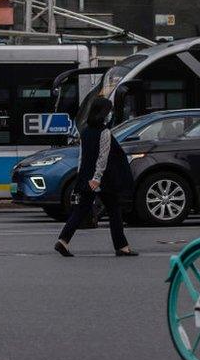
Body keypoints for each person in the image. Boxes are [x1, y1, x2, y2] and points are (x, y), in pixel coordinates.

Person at [54, 97, 138, 257]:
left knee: (81, 210)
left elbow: (82, 156)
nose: (110, 113)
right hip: (100, 179)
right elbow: (103, 157)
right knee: (114, 210)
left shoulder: (85, 131)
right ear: (103, 112)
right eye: (109, 110)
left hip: (87, 176)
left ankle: (63, 241)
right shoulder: (104, 132)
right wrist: (97, 178)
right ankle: (122, 247)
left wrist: (81, 175)